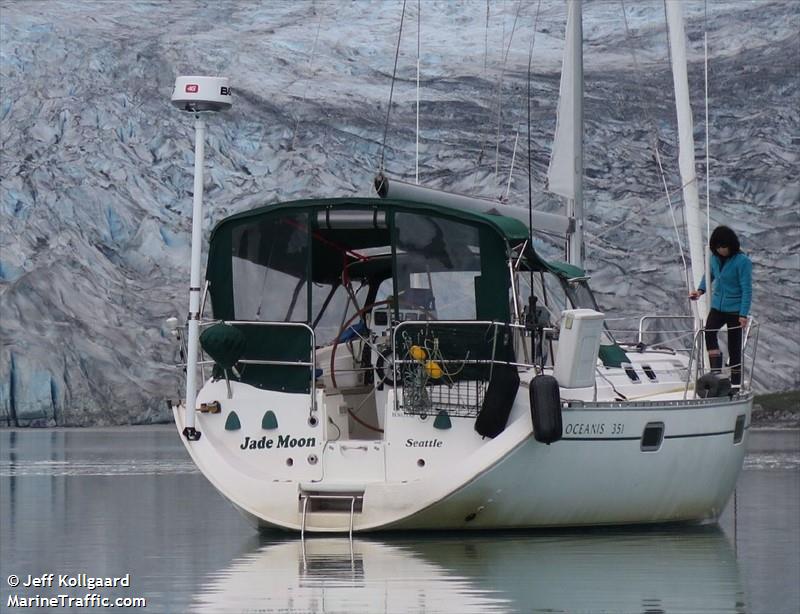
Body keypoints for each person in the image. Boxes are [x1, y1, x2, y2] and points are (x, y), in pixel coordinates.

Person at [689, 225, 752, 386]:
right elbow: (708, 275)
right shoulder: (714, 258)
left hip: (735, 309)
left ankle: (736, 384)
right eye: (717, 247)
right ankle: (716, 373)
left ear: (731, 245)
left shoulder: (742, 261)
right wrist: (700, 290)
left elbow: (747, 289)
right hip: (718, 306)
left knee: (734, 347)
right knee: (709, 331)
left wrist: (743, 314)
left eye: (723, 247)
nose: (720, 250)